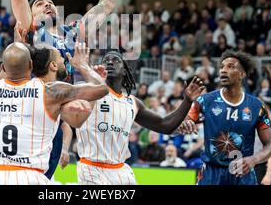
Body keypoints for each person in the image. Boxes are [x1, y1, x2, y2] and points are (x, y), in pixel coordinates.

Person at [0, 43, 108, 185]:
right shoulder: (49, 92)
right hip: (29, 176)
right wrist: (82, 65)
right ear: (30, 65)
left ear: (2, 67)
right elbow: (101, 89)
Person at [75, 50, 203, 185]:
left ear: (125, 71)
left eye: (116, 60)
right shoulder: (89, 90)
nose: (110, 62)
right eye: (106, 60)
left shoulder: (133, 102)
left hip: (120, 171)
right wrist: (88, 72)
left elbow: (165, 124)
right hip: (92, 168)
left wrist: (187, 101)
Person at [184, 50, 271, 185]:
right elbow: (183, 124)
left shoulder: (257, 106)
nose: (223, 70)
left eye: (230, 66)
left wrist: (254, 159)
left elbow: (270, 146)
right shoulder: (204, 101)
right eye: (222, 67)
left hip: (242, 174)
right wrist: (185, 123)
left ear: (242, 74)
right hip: (211, 173)